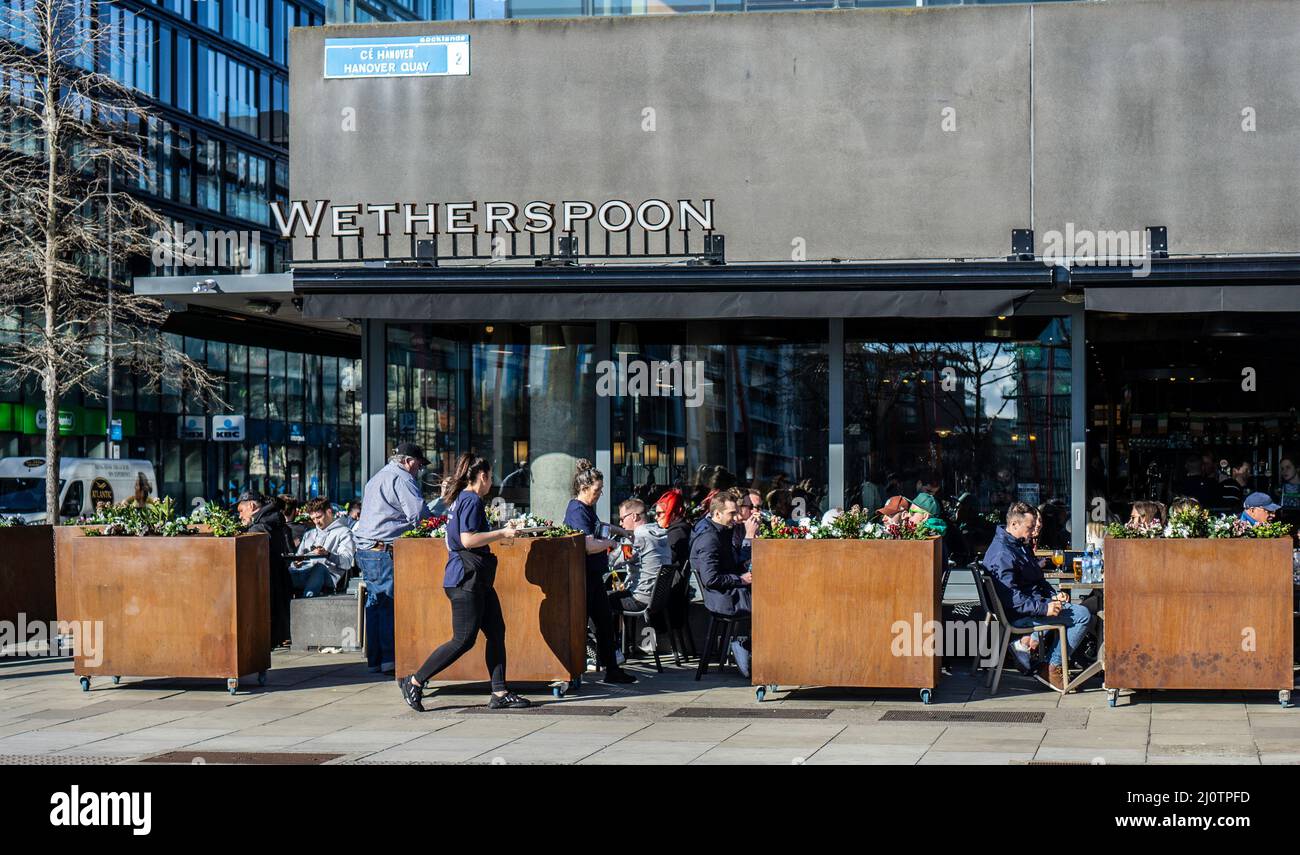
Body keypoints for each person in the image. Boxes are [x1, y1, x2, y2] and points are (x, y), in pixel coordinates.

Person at [396, 453, 530, 712]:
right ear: (482, 477)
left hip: (475, 579)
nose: (491, 482)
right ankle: (415, 681)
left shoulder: (462, 500)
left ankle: (499, 691)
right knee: (463, 640)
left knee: (496, 631)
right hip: (466, 580)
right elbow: (467, 539)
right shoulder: (471, 500)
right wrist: (503, 532)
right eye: (490, 477)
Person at [984, 502, 1092, 690]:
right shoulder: (1003, 553)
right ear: (1014, 525)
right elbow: (1011, 598)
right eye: (1030, 527)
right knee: (1082, 614)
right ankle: (1051, 667)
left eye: (1034, 526)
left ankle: (1028, 646)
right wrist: (1044, 607)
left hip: (1031, 605)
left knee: (1077, 610)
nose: (1034, 531)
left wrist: (1053, 595)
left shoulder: (1017, 544)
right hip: (1021, 614)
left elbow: (1037, 580)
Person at [352, 442, 433, 674]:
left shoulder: (378, 477)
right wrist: (439, 523)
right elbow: (419, 515)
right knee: (387, 603)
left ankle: (375, 660)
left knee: (375, 603)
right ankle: (389, 659)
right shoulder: (403, 478)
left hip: (367, 549)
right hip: (383, 549)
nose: (419, 469)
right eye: (418, 464)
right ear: (408, 461)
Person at [564, 459, 637, 684]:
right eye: (596, 490)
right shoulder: (577, 510)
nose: (599, 494)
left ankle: (611, 670)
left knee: (604, 622)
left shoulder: (586, 510)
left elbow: (599, 527)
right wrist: (611, 544)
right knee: (585, 623)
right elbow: (587, 545)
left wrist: (620, 531)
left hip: (592, 575)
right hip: (583, 576)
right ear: (583, 488)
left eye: (601, 490)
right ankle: (572, 670)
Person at [690, 490, 752, 675]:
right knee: (771, 606)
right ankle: (744, 644)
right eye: (731, 513)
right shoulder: (709, 538)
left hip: (727, 593)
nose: (736, 517)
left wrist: (743, 564)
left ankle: (746, 646)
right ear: (717, 514)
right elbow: (711, 578)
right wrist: (740, 578)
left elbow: (726, 565)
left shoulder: (721, 531)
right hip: (722, 598)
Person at [238, 490, 294, 649]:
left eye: (241, 511)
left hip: (268, 579)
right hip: (276, 577)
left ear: (251, 505)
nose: (240, 516)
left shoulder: (260, 526)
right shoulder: (271, 518)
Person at [291, 497, 356, 597]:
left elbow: (346, 562)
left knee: (319, 568)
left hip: (328, 576)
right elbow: (297, 559)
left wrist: (328, 554)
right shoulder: (309, 534)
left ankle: (306, 602)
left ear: (329, 512)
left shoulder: (344, 533)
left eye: (319, 517)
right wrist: (296, 563)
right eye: (313, 519)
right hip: (305, 572)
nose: (316, 522)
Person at [734, 488, 762, 564]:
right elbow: (742, 565)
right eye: (750, 506)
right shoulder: (728, 527)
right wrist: (749, 535)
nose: (752, 511)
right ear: (738, 507)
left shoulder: (742, 526)